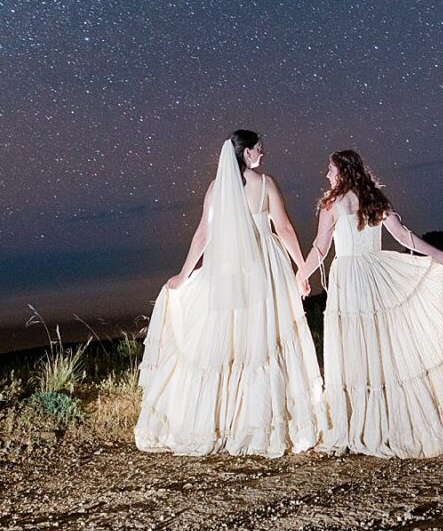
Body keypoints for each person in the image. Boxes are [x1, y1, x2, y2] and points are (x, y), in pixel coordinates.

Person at [297, 149, 443, 457]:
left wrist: (299, 277)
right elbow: (403, 236)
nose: (327, 174)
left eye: (330, 169)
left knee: (355, 348)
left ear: (342, 171)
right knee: (380, 346)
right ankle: (383, 424)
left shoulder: (332, 204)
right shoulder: (375, 200)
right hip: (374, 275)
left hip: (352, 278)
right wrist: (434, 253)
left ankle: (361, 425)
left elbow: (320, 247)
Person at [135, 130, 324, 456]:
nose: (263, 154)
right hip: (265, 266)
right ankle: (259, 423)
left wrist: (186, 271)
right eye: (259, 150)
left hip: (228, 269)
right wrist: (301, 269)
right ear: (247, 153)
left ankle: (227, 421)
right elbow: (285, 228)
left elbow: (204, 233)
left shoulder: (216, 188)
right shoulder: (266, 183)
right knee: (263, 339)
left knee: (232, 342)